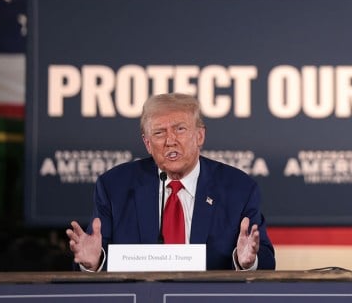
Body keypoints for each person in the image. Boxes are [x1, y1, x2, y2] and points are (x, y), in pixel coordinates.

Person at [66, 93, 275, 271]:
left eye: (180, 129)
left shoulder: (238, 189)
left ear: (200, 136)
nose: (170, 140)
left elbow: (266, 260)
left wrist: (246, 262)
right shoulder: (115, 187)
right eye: (159, 133)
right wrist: (95, 262)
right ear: (147, 144)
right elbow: (91, 257)